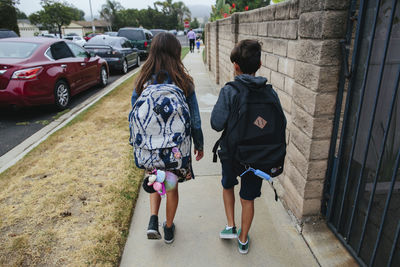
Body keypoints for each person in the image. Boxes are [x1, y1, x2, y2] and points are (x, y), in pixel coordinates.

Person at [130, 32, 204, 244]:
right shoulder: (184, 81)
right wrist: (199, 145)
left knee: (155, 180)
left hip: (150, 147)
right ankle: (169, 228)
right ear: (176, 52)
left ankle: (153, 219)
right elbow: (196, 120)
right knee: (170, 185)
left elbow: (134, 116)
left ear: (152, 52)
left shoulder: (142, 80)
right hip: (174, 148)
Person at [210, 40, 267, 254]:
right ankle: (243, 239)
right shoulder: (268, 92)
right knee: (248, 197)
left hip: (231, 152)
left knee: (228, 185)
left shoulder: (230, 91)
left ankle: (231, 226)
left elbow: (216, 123)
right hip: (256, 155)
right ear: (259, 63)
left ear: (235, 66)